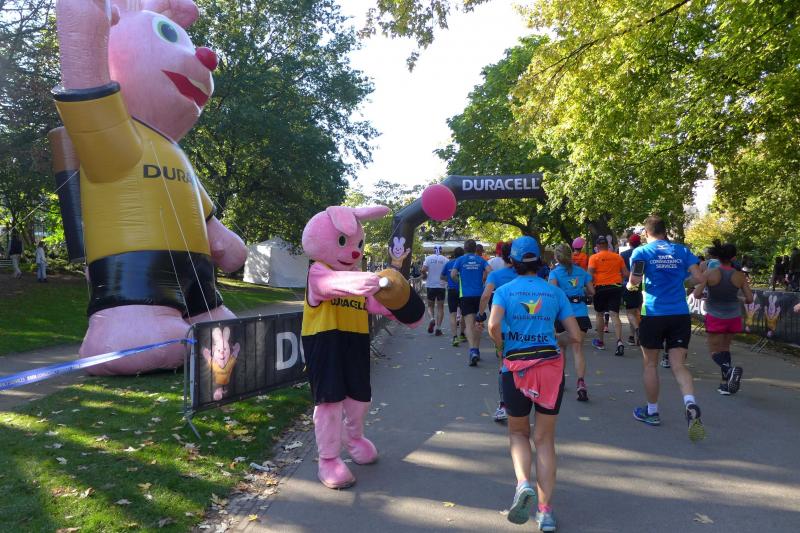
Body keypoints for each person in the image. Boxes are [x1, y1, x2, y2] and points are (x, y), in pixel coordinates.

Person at [487, 236, 580, 532]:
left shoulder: (504, 291)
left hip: (515, 369)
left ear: (512, 261)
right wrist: (558, 339)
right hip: (550, 370)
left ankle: (523, 483)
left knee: (518, 432)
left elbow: (493, 325)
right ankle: (545, 513)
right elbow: (576, 335)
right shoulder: (554, 292)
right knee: (545, 439)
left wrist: (502, 346)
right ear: (539, 261)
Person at [628, 215, 706, 442]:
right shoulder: (682, 251)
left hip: (653, 314)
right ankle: (690, 403)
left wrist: (630, 286)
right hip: (679, 314)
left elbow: (635, 280)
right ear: (665, 231)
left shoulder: (641, 252)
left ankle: (652, 412)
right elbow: (698, 277)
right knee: (679, 365)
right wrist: (682, 283)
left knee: (650, 364)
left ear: (646, 232)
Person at [693, 242, 753, 395]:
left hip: (715, 315)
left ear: (718, 256)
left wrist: (707, 295)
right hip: (733, 316)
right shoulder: (740, 276)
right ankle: (725, 385)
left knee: (714, 351)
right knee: (725, 349)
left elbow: (697, 294)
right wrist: (739, 299)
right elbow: (750, 299)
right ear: (733, 257)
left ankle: (730, 370)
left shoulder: (710, 273)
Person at [549, 243, 595, 401]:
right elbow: (592, 291)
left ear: (556, 258)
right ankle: (581, 383)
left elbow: (552, 295)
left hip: (562, 316)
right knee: (578, 349)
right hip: (581, 314)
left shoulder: (554, 274)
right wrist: (580, 290)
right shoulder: (581, 272)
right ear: (571, 255)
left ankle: (560, 380)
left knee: (561, 348)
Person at [476, 242, 517, 421]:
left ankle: (504, 405)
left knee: (504, 363)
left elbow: (486, 295)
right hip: (527, 327)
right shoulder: (526, 275)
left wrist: (480, 316)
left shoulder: (495, 275)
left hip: (503, 327)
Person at [451, 239, 491, 366]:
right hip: (479, 295)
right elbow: (490, 271)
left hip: (466, 295)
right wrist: (485, 282)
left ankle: (472, 350)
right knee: (478, 323)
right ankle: (476, 350)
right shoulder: (480, 260)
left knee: (469, 325)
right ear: (475, 249)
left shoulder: (460, 260)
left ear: (465, 248)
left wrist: (460, 281)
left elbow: (453, 275)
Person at [588, 236, 628, 355]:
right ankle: (619, 341)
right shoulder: (617, 257)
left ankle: (600, 342)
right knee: (615, 315)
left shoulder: (594, 257)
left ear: (597, 246)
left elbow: (589, 275)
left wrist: (589, 287)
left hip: (600, 288)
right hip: (615, 287)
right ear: (607, 245)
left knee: (599, 314)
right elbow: (625, 273)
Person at [620, 233, 644, 345]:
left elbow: (621, 271)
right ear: (639, 242)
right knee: (638, 311)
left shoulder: (623, 254)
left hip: (628, 284)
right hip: (641, 284)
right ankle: (632, 336)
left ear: (629, 243)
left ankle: (637, 331)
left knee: (630, 312)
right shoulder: (643, 253)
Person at [442, 248, 467, 346]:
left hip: (451, 290)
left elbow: (441, 276)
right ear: (463, 254)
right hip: (463, 290)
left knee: (453, 314)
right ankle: (462, 334)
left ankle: (454, 337)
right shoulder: (464, 263)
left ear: (454, 254)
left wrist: (449, 280)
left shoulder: (448, 263)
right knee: (464, 313)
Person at [421, 245, 448, 336]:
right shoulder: (445, 259)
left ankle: (432, 319)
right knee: (440, 308)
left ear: (433, 250)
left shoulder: (428, 258)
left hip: (431, 285)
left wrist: (425, 275)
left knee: (430, 306)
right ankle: (438, 328)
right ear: (441, 251)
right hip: (441, 286)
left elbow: (423, 270)